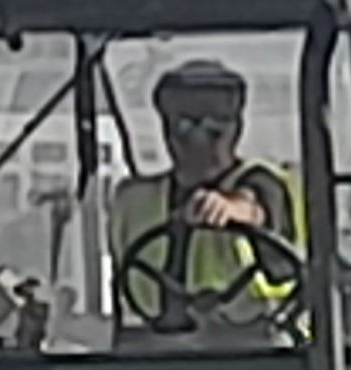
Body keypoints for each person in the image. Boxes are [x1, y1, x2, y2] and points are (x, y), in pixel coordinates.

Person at [110, 58, 301, 331]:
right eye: (184, 127)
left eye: (214, 129)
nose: (198, 142)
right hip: (151, 350)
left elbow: (261, 206)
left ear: (237, 128)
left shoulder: (264, 184)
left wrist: (236, 210)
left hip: (254, 348)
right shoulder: (132, 201)